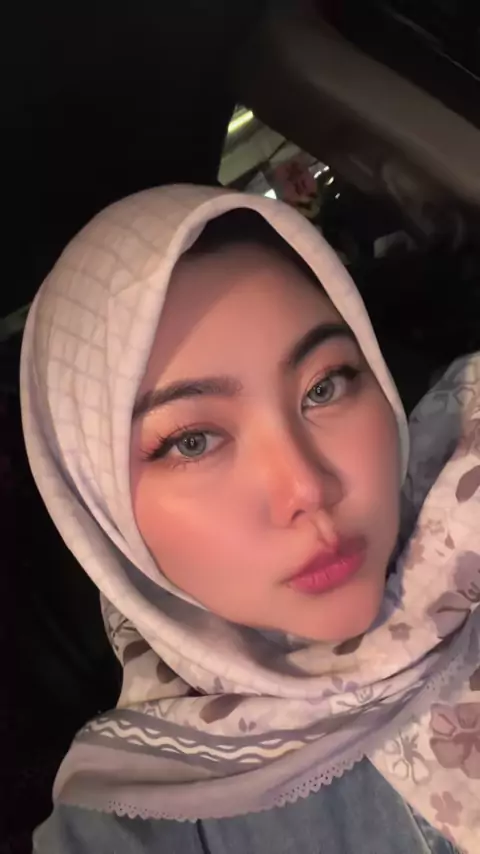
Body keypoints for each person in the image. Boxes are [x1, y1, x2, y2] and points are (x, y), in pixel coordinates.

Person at [20, 185, 479, 853]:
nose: (305, 488)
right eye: (192, 441)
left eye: (324, 386)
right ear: (100, 511)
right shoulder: (135, 824)